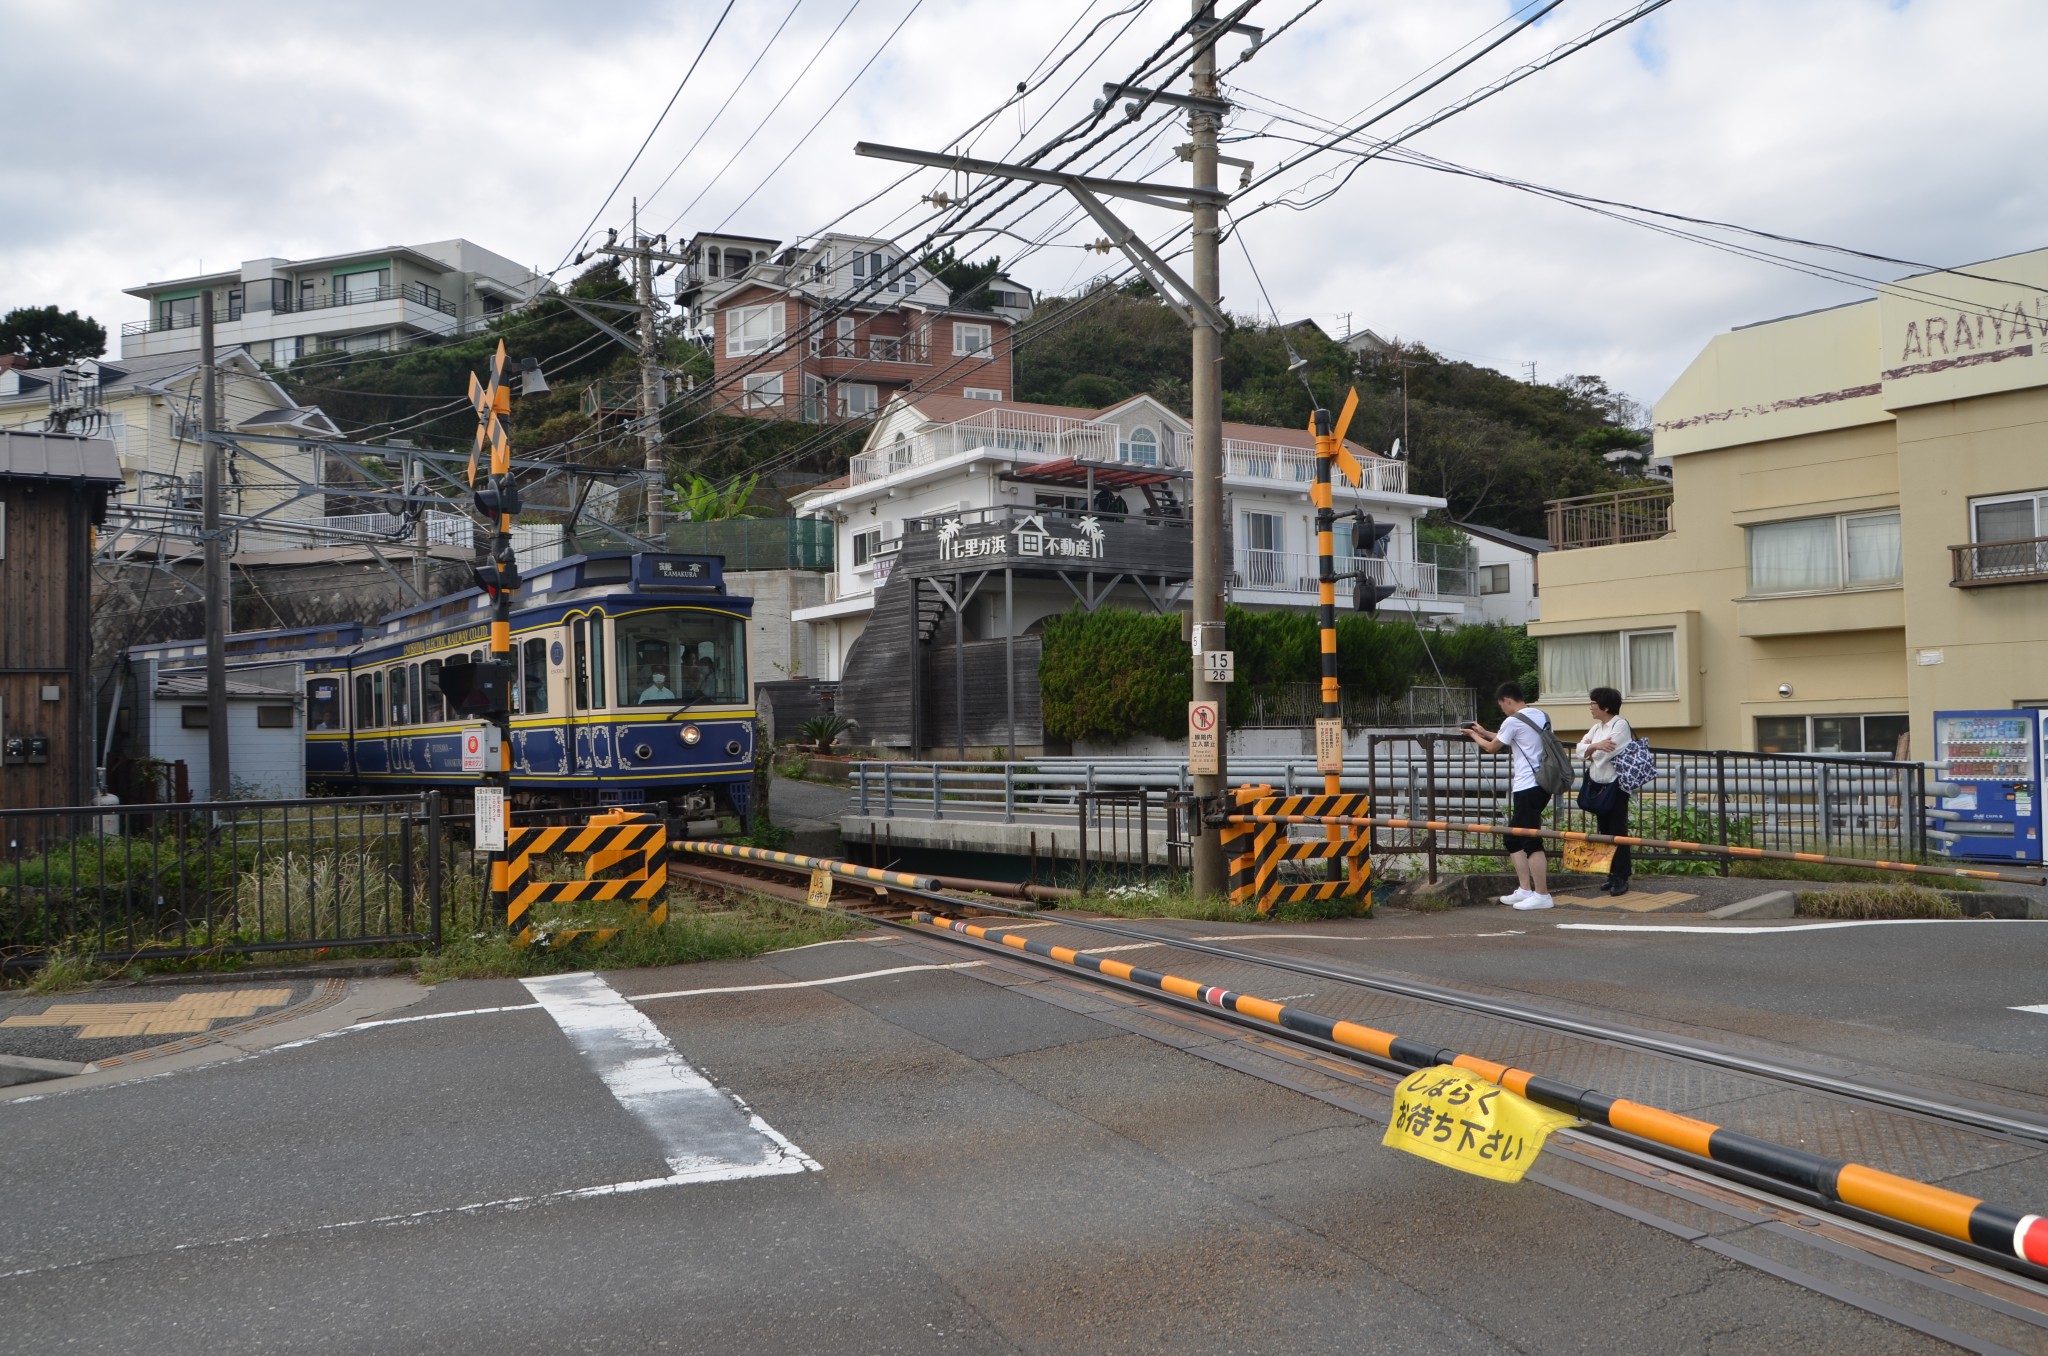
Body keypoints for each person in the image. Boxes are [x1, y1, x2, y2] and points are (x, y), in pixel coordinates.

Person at [1461, 681, 1556, 911]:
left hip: (1527, 786)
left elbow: (1492, 748)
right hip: (1542, 784)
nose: (1502, 710)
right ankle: (1525, 889)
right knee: (1512, 838)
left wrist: (1474, 736)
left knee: (1529, 838)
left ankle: (1542, 894)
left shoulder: (1513, 720)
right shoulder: (1541, 715)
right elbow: (1514, 738)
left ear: (1507, 700)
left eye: (1501, 705)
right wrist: (1484, 732)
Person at [1575, 686, 1635, 896]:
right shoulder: (1597, 727)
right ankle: (1611, 874)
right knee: (1604, 831)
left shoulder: (1620, 725)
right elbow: (1579, 750)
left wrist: (1592, 749)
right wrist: (1595, 747)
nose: (1590, 707)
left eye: (1593, 703)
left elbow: (1605, 755)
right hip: (1598, 782)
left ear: (1605, 705)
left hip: (1616, 785)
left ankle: (1622, 876)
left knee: (1618, 831)